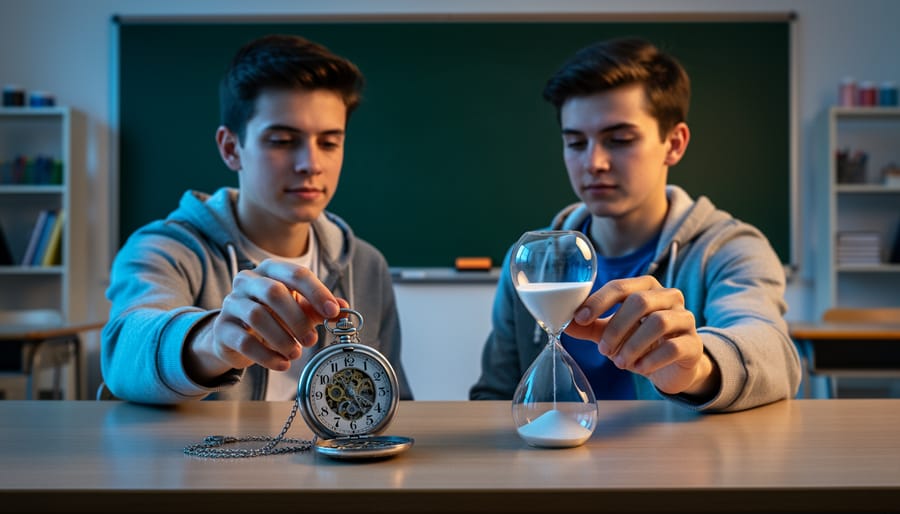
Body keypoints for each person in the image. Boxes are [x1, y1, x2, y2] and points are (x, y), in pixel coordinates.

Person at [470, 37, 801, 412]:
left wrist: (697, 367)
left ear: (674, 143)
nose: (594, 162)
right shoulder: (531, 262)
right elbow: (493, 394)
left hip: (681, 465)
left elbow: (774, 354)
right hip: (550, 464)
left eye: (619, 140)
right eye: (576, 143)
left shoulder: (730, 249)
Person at [102, 34, 412, 403]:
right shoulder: (165, 250)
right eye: (282, 140)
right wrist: (214, 340)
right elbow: (123, 353)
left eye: (329, 143)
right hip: (212, 461)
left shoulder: (365, 265)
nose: (311, 164)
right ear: (231, 148)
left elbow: (391, 399)